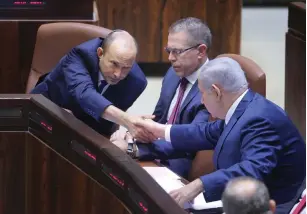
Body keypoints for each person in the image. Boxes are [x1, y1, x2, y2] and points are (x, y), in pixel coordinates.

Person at [133, 57, 306, 207]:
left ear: (216, 92)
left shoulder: (260, 119)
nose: (201, 100)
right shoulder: (242, 108)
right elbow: (204, 133)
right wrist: (158, 130)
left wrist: (199, 184)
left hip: (276, 205)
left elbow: (252, 170)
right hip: (240, 200)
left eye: (202, 93)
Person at [110, 17, 211, 178]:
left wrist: (133, 149)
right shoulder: (173, 73)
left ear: (201, 51)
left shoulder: (212, 88)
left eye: (177, 51)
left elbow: (190, 141)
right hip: (156, 150)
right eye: (168, 51)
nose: (170, 58)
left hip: (178, 164)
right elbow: (159, 119)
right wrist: (135, 131)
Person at [31, 30, 150, 139]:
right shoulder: (79, 55)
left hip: (88, 132)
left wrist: (123, 130)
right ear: (100, 53)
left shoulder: (136, 82)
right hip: (44, 112)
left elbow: (108, 123)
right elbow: (84, 94)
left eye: (126, 68)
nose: (118, 74)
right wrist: (126, 119)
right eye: (114, 64)